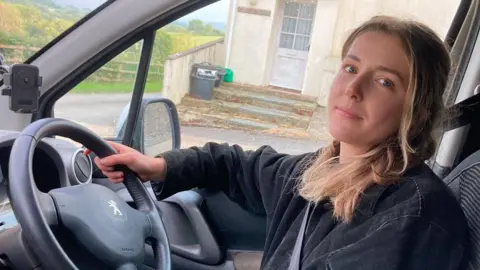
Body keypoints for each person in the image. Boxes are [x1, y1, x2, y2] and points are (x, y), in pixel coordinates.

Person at [89, 15, 468, 269]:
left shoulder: (413, 219)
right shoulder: (324, 170)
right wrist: (159, 166)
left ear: (415, 112)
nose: (353, 88)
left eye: (384, 81)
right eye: (350, 68)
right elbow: (236, 165)